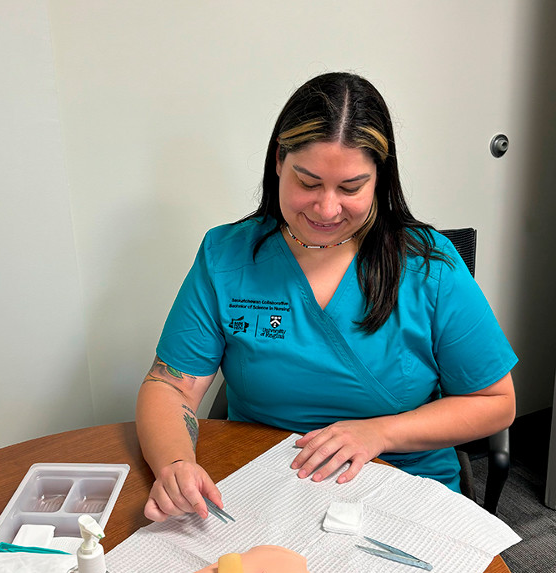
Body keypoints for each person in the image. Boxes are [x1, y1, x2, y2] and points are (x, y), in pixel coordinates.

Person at [136, 72, 517, 523]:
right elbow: (170, 385)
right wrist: (176, 464)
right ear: (279, 160)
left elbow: (496, 402)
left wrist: (378, 433)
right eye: (309, 182)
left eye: (351, 188)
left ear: (380, 179)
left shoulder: (430, 266)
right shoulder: (227, 255)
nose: (327, 208)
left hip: (401, 482)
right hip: (265, 481)